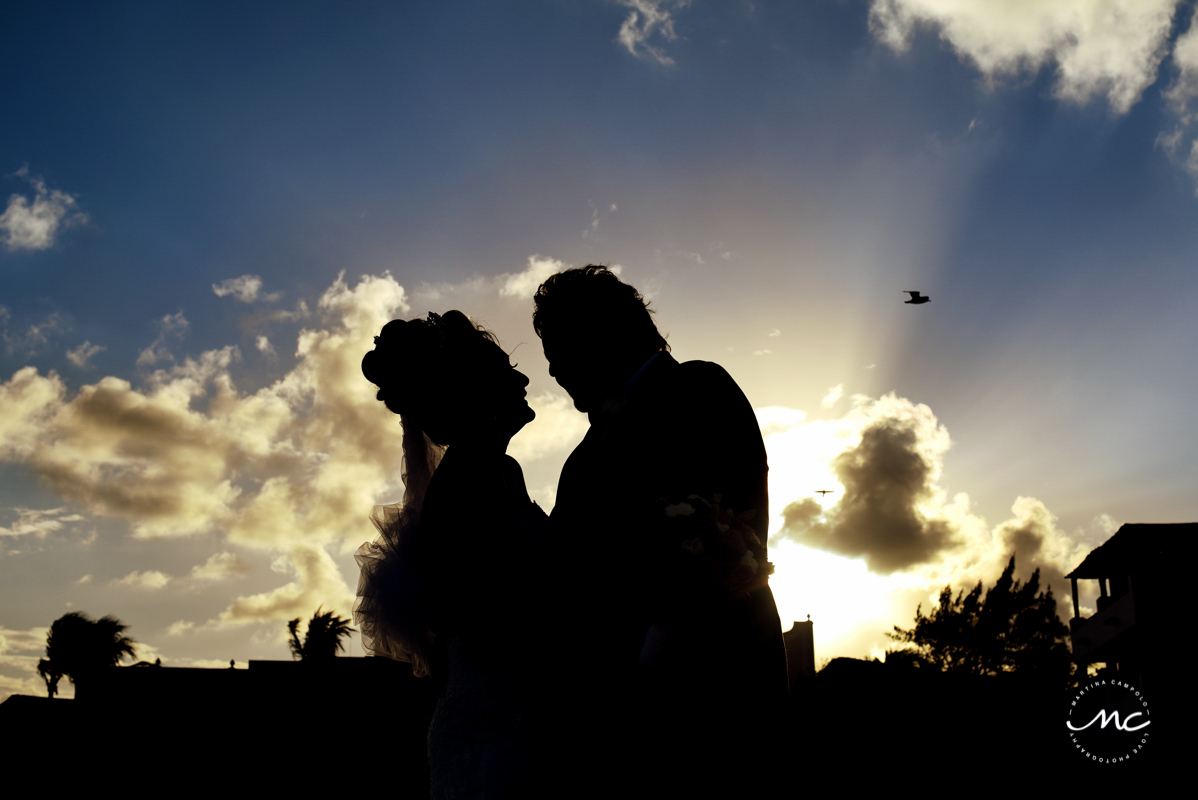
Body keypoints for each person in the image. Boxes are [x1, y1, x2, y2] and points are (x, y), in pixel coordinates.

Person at [534, 266, 791, 795]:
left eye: (558, 350)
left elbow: (728, 540)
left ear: (602, 333)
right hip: (618, 722)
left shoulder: (699, 389)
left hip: (714, 694)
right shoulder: (581, 458)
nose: (555, 372)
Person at [356, 310, 547, 799]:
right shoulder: (465, 485)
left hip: (518, 721)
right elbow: (487, 625)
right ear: (475, 396)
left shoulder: (502, 470)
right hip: (494, 734)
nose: (523, 378)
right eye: (506, 371)